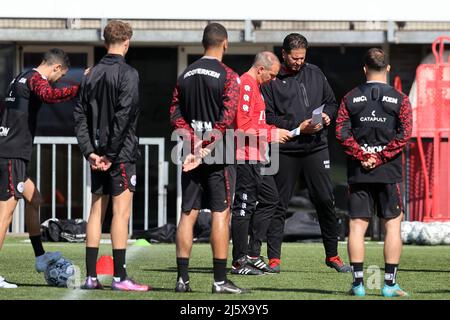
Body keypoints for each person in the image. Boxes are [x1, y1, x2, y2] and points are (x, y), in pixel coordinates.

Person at [261, 33, 350, 273]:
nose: (299, 62)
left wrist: (327, 116)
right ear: (284, 54)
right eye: (294, 58)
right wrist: (298, 125)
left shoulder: (315, 73)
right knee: (278, 204)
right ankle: (274, 259)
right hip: (285, 148)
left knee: (325, 201)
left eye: (302, 58)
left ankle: (332, 256)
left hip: (316, 147)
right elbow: (268, 117)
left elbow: (332, 102)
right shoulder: (271, 80)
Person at [170, 22, 246, 294]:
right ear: (225, 43)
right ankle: (219, 281)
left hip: (190, 154)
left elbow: (175, 113)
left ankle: (182, 280)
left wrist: (193, 142)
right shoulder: (229, 76)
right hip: (219, 156)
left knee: (187, 214)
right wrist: (205, 147)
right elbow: (226, 119)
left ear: (204, 43)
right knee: (220, 215)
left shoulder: (185, 74)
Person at [74, 20, 149, 291]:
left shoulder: (89, 74)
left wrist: (90, 152)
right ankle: (120, 278)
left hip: (97, 154)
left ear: (105, 42)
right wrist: (109, 154)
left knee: (96, 211)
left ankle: (91, 277)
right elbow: (124, 115)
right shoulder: (129, 73)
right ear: (127, 41)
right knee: (121, 213)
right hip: (120, 154)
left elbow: (79, 115)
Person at [0, 48, 79, 288]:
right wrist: (80, 88)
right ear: (56, 68)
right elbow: (50, 96)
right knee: (5, 215)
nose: (59, 80)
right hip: (12, 154)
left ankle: (40, 257)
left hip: (10, 151)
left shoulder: (20, 76)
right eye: (61, 75)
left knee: (34, 198)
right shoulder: (36, 79)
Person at [336, 48, 412, 297]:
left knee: (357, 225)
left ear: (365, 69)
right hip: (388, 172)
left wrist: (362, 156)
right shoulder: (401, 99)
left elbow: (341, 133)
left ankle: (358, 285)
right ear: (388, 69)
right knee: (392, 226)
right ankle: (389, 285)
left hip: (360, 172)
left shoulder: (349, 98)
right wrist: (379, 157)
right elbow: (404, 135)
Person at [230, 52, 292, 275]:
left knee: (270, 199)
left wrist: (272, 132)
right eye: (272, 75)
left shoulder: (255, 87)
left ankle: (253, 254)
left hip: (258, 155)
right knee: (244, 207)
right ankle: (239, 262)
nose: (273, 79)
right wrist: (272, 133)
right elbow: (243, 127)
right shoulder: (246, 85)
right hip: (245, 155)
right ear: (260, 69)